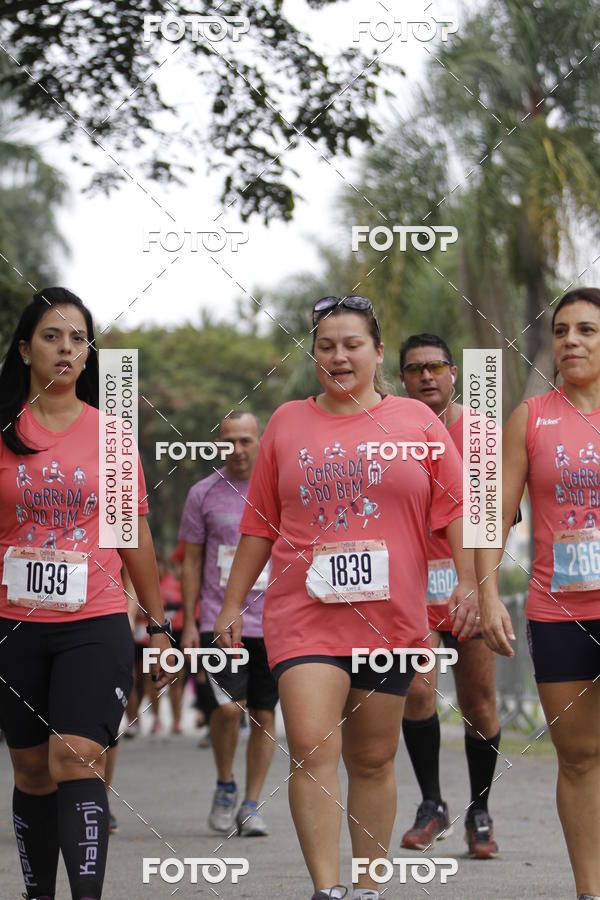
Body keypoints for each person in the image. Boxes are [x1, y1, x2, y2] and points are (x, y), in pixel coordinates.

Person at [214, 295, 478, 900]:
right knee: (310, 744)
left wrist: (468, 581)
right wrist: (231, 605)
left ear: (378, 352)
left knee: (374, 757)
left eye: (352, 345)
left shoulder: (417, 423)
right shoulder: (286, 422)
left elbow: (459, 511)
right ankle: (327, 890)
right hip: (302, 615)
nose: (338, 356)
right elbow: (258, 524)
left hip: (390, 620)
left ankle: (367, 886)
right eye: (325, 346)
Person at [0, 288, 171, 900]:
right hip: (13, 627)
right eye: (51, 336)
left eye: (77, 338)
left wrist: (157, 622)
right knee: (30, 770)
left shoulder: (113, 435)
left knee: (74, 756)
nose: (66, 348)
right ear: (25, 350)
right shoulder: (3, 433)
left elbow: (135, 533)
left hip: (93, 622)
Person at [476, 287, 600, 900]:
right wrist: (489, 591)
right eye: (561, 331)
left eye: (587, 330)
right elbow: (495, 511)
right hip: (560, 612)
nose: (571, 341)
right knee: (577, 758)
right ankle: (588, 892)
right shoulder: (531, 417)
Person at [398, 334, 501, 858]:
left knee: (478, 702)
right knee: (417, 693)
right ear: (401, 379)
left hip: (470, 584)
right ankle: (432, 803)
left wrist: (485, 589)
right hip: (413, 588)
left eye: (435, 366)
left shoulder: (480, 435)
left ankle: (479, 812)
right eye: (414, 369)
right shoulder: (390, 432)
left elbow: (495, 522)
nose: (426, 376)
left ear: (455, 373)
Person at [179, 411, 278, 836]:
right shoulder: (203, 493)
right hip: (220, 619)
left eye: (245, 441)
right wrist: (187, 623)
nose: (237, 450)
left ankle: (251, 803)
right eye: (229, 442)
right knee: (226, 707)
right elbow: (192, 561)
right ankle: (225, 784)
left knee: (263, 714)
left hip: (273, 622)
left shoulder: (279, 489)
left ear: (260, 441)